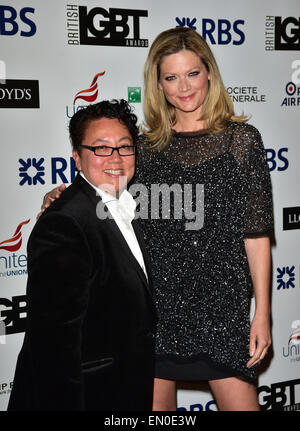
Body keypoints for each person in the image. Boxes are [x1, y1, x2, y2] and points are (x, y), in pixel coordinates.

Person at [40, 27, 274, 411]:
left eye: (192, 73)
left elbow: (256, 235)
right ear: (159, 84)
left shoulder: (242, 141)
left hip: (224, 310)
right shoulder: (145, 148)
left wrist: (262, 313)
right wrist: (60, 195)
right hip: (156, 313)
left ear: (210, 73)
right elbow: (104, 194)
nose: (184, 87)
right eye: (171, 77)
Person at [8, 99, 156, 411]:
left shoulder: (131, 205)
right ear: (77, 158)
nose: (115, 157)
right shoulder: (64, 224)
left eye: (124, 146)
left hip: (125, 390)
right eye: (101, 148)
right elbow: (52, 350)